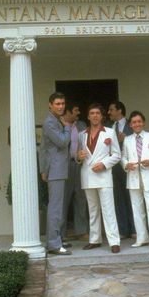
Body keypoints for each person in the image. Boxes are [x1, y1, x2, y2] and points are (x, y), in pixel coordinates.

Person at [78, 103, 121, 253]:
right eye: (92, 113)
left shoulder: (109, 132)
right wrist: (78, 156)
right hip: (88, 176)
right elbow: (79, 156)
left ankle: (114, 241)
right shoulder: (81, 134)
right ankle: (95, 240)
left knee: (108, 210)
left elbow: (117, 155)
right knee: (93, 209)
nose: (95, 115)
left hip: (103, 176)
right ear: (88, 116)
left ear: (102, 116)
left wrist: (104, 164)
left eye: (97, 113)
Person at [121, 110, 149, 251]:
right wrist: (125, 164)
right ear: (130, 124)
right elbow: (123, 157)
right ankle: (142, 238)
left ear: (143, 122)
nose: (137, 124)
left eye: (139, 121)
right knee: (137, 209)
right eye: (134, 122)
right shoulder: (127, 140)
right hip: (134, 177)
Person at [39, 92, 72, 255]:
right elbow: (62, 141)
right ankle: (53, 244)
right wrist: (67, 127)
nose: (61, 106)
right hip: (56, 170)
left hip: (58, 169)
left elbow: (44, 148)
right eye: (57, 104)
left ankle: (56, 239)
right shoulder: (50, 122)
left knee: (57, 206)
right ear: (50, 105)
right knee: (55, 208)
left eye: (63, 103)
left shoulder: (55, 120)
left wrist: (44, 170)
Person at [61, 101, 89, 241]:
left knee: (81, 198)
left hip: (79, 166)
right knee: (63, 200)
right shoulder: (57, 126)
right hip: (63, 168)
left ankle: (81, 231)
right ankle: (61, 233)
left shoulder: (82, 126)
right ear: (67, 112)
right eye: (76, 110)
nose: (78, 113)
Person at [107, 101, 135, 239]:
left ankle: (135, 229)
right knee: (118, 199)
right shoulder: (108, 127)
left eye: (111, 109)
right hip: (113, 168)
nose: (109, 112)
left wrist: (126, 138)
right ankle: (123, 230)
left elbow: (140, 140)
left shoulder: (132, 124)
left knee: (132, 198)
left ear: (119, 111)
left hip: (129, 167)